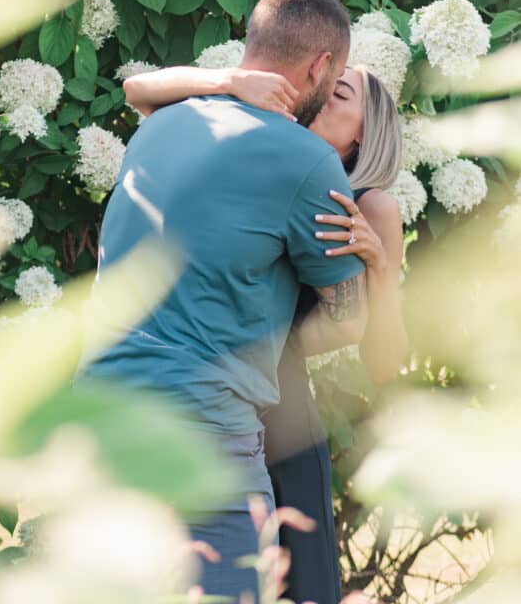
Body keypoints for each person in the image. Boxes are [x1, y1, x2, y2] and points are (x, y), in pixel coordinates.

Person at [80, 0, 369, 602]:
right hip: (203, 438)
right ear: (320, 66)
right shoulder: (307, 160)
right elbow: (347, 324)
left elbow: (139, 88)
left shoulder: (161, 125)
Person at [123, 61, 407, 604]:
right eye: (322, 85)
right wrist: (229, 80)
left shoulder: (373, 205)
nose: (320, 96)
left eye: (339, 94)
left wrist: (381, 268)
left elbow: (384, 365)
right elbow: (139, 89)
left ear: (365, 131)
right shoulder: (265, 150)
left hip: (282, 414)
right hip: (208, 388)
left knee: (295, 583)